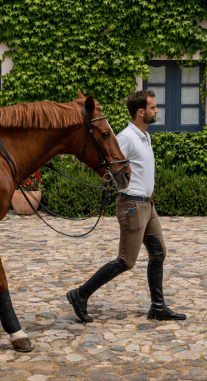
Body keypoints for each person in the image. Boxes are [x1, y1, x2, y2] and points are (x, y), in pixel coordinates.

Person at [67, 89, 186, 323]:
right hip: (132, 205)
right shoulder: (126, 138)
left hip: (148, 206)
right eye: (153, 107)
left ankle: (158, 307)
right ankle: (80, 294)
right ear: (141, 112)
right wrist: (114, 185)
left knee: (158, 254)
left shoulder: (144, 136)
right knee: (126, 261)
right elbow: (108, 162)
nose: (156, 111)